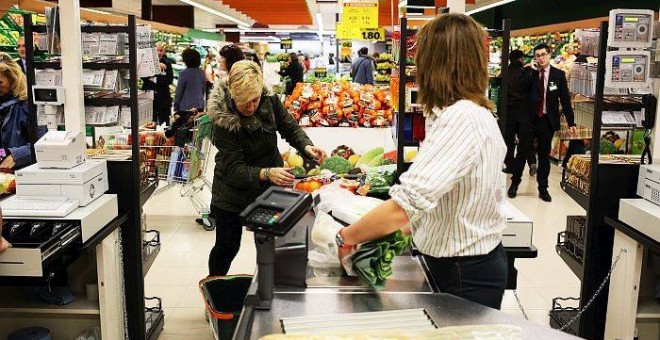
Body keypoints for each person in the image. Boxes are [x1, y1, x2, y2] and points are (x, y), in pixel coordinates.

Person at [336, 14, 508, 310]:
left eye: (421, 57)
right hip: (464, 264)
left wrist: (346, 236)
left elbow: (405, 207)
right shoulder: (472, 113)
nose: (417, 66)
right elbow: (444, 199)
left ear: (438, 64)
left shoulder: (461, 119)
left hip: (462, 272)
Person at [205, 60, 326, 276]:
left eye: (254, 100)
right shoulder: (222, 120)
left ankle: (267, 289)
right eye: (244, 102)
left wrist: (307, 147)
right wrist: (267, 173)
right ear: (232, 94)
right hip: (231, 195)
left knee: (268, 243)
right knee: (227, 247)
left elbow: (289, 126)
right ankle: (214, 288)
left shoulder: (269, 100)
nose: (250, 107)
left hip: (267, 191)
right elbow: (234, 170)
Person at [508, 43, 577, 202]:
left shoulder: (558, 75)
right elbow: (518, 87)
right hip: (528, 119)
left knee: (544, 156)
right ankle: (514, 184)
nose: (541, 58)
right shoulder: (528, 72)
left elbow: (565, 100)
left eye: (543, 54)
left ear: (549, 55)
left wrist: (571, 122)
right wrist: (531, 71)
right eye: (538, 55)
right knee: (522, 152)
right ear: (534, 57)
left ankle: (543, 189)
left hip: (547, 120)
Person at [0, 56, 45, 171]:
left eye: (0, 82)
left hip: (23, 174)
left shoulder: (28, 106)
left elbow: (42, 144)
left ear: (13, 80)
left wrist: (15, 156)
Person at [503, 49, 537, 176]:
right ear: (521, 59)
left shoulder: (505, 72)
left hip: (509, 110)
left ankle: (510, 164)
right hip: (523, 110)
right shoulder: (526, 72)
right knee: (525, 138)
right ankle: (532, 161)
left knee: (509, 139)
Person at [141, 44, 173, 124]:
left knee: (164, 123)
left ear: (164, 51)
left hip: (163, 99)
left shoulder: (167, 64)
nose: (159, 53)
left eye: (161, 50)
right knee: (148, 123)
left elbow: (169, 80)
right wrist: (156, 67)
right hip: (149, 98)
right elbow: (143, 76)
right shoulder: (147, 63)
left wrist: (153, 78)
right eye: (157, 50)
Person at [173, 48, 206, 114]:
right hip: (200, 105)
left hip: (186, 107)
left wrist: (175, 106)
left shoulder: (184, 73)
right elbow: (203, 90)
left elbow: (179, 92)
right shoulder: (202, 73)